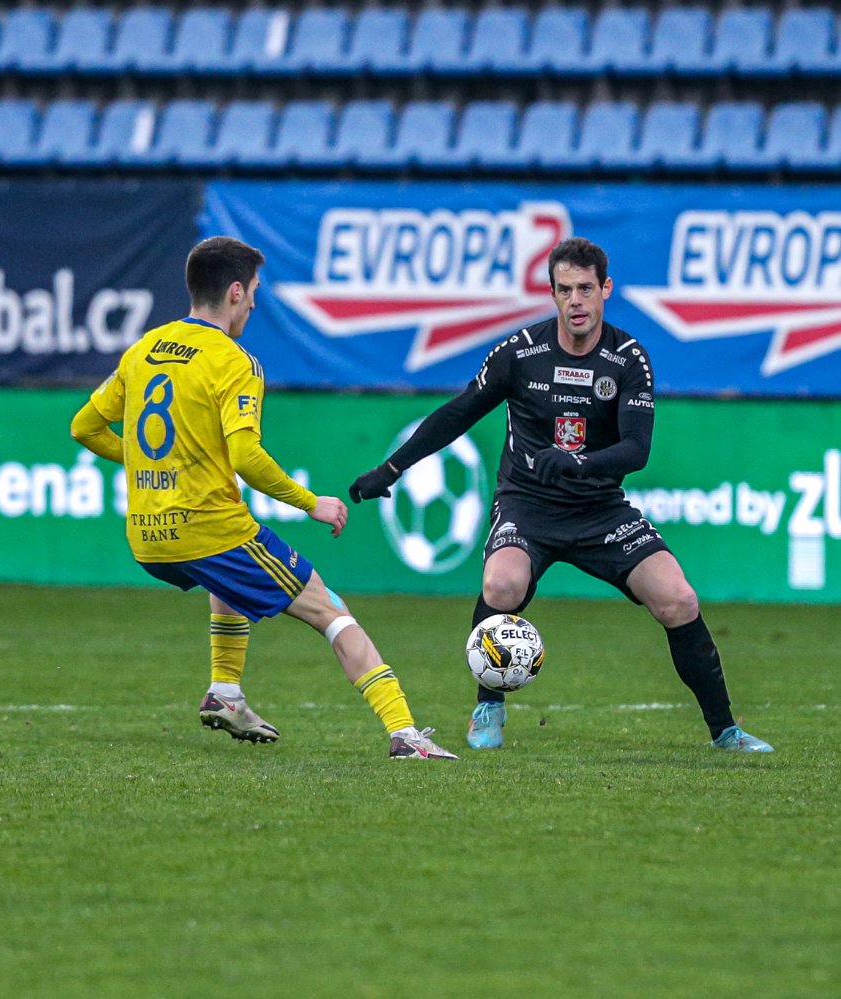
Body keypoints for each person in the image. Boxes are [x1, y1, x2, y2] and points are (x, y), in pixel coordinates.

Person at [347, 237, 773, 754]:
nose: (576, 301)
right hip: (527, 504)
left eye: (585, 289)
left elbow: (637, 449)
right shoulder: (520, 352)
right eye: (565, 289)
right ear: (552, 293)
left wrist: (579, 463)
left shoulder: (627, 358)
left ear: (605, 289)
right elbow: (459, 412)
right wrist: (391, 468)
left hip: (600, 510)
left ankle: (726, 731)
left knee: (678, 599)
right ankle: (489, 706)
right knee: (501, 585)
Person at [70, 236, 456, 760]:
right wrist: (310, 502)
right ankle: (405, 734)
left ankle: (225, 692)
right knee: (330, 609)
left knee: (225, 578)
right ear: (235, 291)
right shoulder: (235, 362)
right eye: (253, 290)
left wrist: (153, 464)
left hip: (148, 537)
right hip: (208, 528)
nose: (254, 302)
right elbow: (246, 456)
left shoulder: (145, 349)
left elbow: (85, 426)